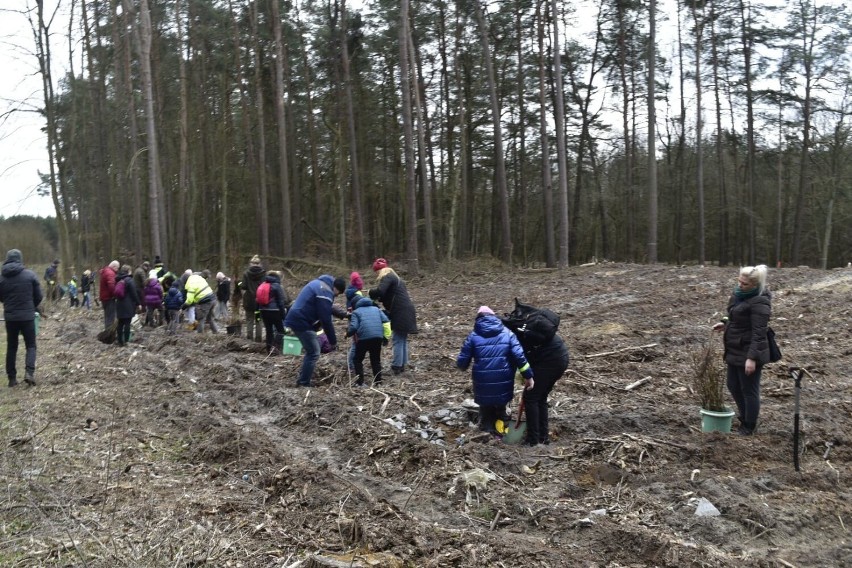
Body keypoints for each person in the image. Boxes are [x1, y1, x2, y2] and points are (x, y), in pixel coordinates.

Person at [712, 264, 772, 436]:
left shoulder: (760, 302)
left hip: (749, 350)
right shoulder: (739, 295)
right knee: (733, 385)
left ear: (755, 285)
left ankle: (749, 425)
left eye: (744, 284)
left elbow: (759, 333)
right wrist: (724, 323)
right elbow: (733, 314)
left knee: (749, 389)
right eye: (739, 281)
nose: (740, 285)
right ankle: (744, 416)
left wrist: (752, 358)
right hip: (734, 348)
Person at [457, 306, 534, 437]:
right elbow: (519, 357)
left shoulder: (473, 336)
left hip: (482, 382)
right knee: (501, 406)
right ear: (494, 317)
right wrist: (528, 376)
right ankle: (502, 433)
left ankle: (487, 435)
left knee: (486, 409)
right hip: (504, 379)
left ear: (478, 320)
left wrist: (462, 366)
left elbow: (462, 363)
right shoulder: (508, 333)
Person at [284, 275, 345, 387]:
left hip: (297, 318)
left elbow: (327, 307)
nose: (336, 296)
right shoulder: (326, 292)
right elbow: (326, 320)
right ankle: (303, 382)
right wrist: (333, 341)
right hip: (301, 321)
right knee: (313, 352)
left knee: (311, 350)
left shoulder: (320, 285)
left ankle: (303, 378)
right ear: (336, 288)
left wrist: (342, 314)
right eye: (338, 293)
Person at [0, 249, 43, 386]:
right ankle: (29, 373)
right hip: (27, 316)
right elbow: (39, 296)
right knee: (31, 345)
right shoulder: (30, 275)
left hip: (10, 317)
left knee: (12, 347)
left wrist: (8, 304)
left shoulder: (2, 277)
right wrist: (32, 306)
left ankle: (12, 379)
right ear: (20, 259)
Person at [369, 258, 418, 374]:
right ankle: (402, 364)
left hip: (400, 311)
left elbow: (380, 291)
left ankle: (396, 366)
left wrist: (371, 293)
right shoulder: (396, 278)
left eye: (377, 272)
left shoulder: (388, 276)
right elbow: (386, 295)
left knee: (397, 339)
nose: (377, 275)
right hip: (406, 310)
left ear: (380, 270)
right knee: (402, 339)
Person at [347, 296, 391, 387]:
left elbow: (354, 327)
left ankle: (360, 382)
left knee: (357, 360)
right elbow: (386, 321)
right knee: (375, 360)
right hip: (377, 338)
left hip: (363, 338)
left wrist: (347, 334)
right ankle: (378, 382)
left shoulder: (356, 312)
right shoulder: (376, 309)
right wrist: (386, 337)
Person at [258, 271, 290, 355]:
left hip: (263, 311)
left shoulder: (263, 284)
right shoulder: (277, 286)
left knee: (269, 331)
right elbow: (280, 302)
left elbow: (257, 300)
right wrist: (284, 316)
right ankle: (275, 348)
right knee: (281, 331)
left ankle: (269, 349)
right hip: (274, 311)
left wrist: (257, 315)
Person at [238, 255, 267, 342]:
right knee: (258, 320)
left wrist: (239, 283)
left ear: (251, 263)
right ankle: (258, 339)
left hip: (249, 300)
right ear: (259, 264)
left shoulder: (246, 274)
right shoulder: (263, 274)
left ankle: (249, 338)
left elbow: (244, 286)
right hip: (259, 300)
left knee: (249, 319)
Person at [345, 271, 367, 373]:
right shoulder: (356, 293)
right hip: (355, 320)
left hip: (353, 319)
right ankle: (351, 364)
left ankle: (353, 363)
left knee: (356, 342)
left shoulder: (351, 292)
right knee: (355, 343)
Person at [115, 265, 140, 347]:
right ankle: (126, 341)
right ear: (129, 271)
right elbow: (134, 293)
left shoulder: (118, 279)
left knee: (120, 323)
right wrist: (138, 303)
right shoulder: (129, 280)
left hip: (119, 304)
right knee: (127, 323)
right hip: (128, 304)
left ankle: (119, 341)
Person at [99, 260, 120, 330]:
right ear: (114, 266)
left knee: (107, 316)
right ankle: (109, 333)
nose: (117, 270)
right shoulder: (110, 273)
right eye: (117, 268)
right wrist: (115, 295)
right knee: (110, 317)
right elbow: (111, 286)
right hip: (109, 298)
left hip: (104, 297)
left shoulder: (105, 271)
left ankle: (107, 330)